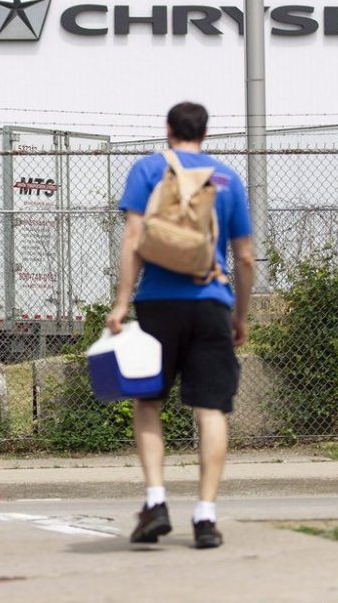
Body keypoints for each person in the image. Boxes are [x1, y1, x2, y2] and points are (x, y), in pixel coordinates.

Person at [105, 102, 254, 550]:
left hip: (157, 305)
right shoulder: (227, 178)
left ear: (168, 129)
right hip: (210, 302)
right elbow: (244, 257)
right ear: (205, 133)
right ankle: (205, 516)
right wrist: (240, 315)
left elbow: (133, 239)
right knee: (210, 409)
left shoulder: (148, 169)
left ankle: (155, 501)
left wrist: (121, 302)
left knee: (148, 402)